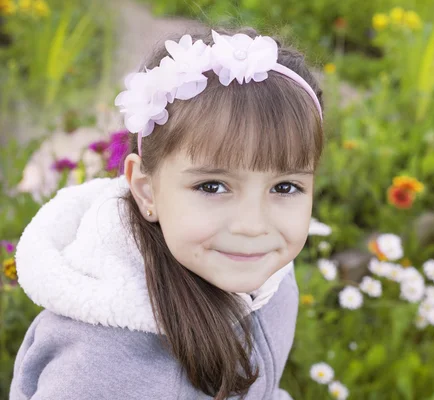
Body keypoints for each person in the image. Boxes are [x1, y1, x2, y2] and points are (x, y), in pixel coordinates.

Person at [10, 26, 324, 399]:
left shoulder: (268, 276)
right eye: (212, 186)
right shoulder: (100, 368)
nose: (253, 226)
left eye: (285, 187)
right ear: (146, 189)